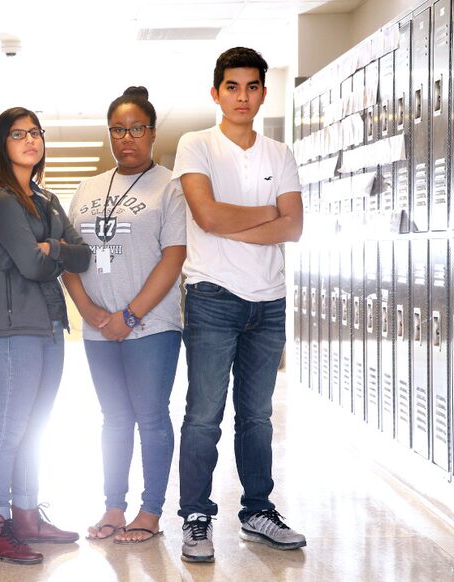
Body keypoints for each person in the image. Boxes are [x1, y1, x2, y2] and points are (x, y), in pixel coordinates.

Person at [172, 47, 306, 563]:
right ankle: (196, 517)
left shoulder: (280, 153)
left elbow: (293, 227)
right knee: (204, 414)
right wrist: (267, 216)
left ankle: (257, 511)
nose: (242, 96)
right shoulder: (196, 145)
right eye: (232, 86)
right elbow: (206, 217)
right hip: (212, 296)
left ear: (264, 94)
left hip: (268, 302)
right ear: (216, 93)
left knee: (257, 415)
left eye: (252, 87)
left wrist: (243, 220)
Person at [63, 87, 186, 545]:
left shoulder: (170, 186)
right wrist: (91, 312)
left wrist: (128, 317)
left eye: (136, 129)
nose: (127, 138)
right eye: (118, 129)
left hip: (152, 327)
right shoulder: (88, 189)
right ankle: (114, 504)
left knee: (151, 416)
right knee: (113, 418)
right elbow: (70, 259)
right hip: (98, 329)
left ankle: (150, 510)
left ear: (152, 133)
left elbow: (173, 258)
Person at [0, 107, 91, 565]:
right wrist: (51, 253)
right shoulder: (1, 199)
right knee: (9, 427)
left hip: (49, 323)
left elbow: (82, 255)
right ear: (3, 144)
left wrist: (56, 249)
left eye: (36, 133)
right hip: (13, 327)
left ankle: (26, 516)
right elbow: (30, 264)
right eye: (18, 134)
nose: (30, 140)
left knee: (35, 428)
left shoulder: (45, 198)